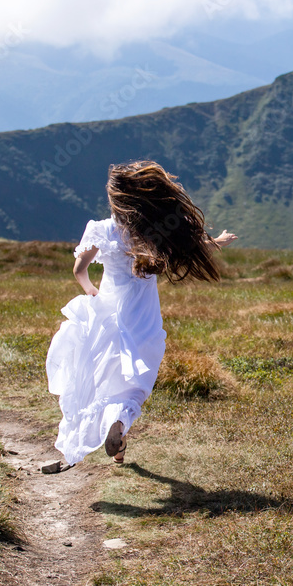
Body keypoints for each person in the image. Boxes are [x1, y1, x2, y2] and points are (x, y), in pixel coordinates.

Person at [46, 161, 237, 465]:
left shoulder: (103, 230)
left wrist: (92, 293)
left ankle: (113, 435)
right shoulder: (153, 234)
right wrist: (218, 241)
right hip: (143, 317)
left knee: (103, 378)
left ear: (117, 201)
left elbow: (79, 270)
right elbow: (188, 248)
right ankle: (118, 429)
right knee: (135, 385)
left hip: (108, 311)